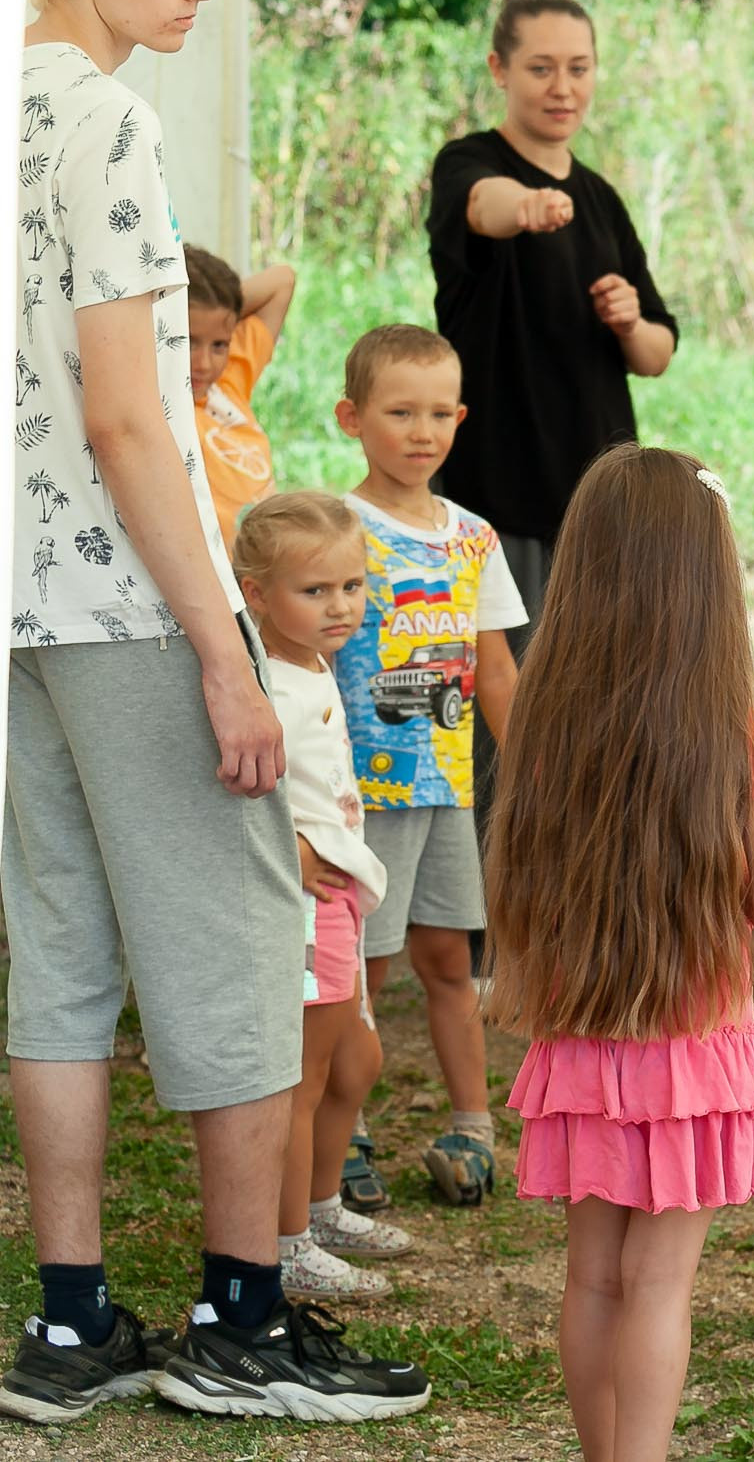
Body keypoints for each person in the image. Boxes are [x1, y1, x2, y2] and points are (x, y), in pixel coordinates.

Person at [6, 0, 424, 1426]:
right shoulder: (102, 119)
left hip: (19, 614)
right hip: (122, 594)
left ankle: (68, 1327)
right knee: (247, 951)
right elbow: (129, 417)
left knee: (57, 963)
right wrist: (222, 642)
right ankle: (242, 1320)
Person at [486, 444, 754, 1462]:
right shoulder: (740, 735)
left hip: (581, 1041)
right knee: (661, 1283)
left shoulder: (545, 723)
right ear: (711, 580)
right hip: (697, 1053)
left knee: (591, 1276)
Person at [333, 325, 526, 1204]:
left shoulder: (473, 538)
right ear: (352, 417)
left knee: (451, 957)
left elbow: (492, 669)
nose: (422, 430)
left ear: (462, 418)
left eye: (440, 412)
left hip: (448, 789)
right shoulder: (336, 530)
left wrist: (530, 767)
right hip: (354, 801)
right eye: (400, 410)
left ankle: (472, 1124)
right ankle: (345, 1132)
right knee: (359, 973)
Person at [426, 0, 677, 633]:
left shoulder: (601, 199)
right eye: (541, 69)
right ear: (499, 70)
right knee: (503, 696)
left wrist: (630, 321)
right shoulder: (468, 163)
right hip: (494, 486)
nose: (563, 87)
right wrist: (528, 206)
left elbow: (657, 355)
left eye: (578, 68)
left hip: (599, 493)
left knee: (593, 689)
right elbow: (485, 205)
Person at [233, 494, 419, 1302]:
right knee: (303, 1079)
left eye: (352, 585)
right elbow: (230, 782)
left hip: (345, 892)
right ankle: (288, 1242)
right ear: (256, 593)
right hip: (306, 906)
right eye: (315, 591)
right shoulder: (258, 681)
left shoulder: (315, 662)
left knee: (360, 1059)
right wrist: (289, 847)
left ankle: (322, 1202)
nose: (340, 605)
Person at [184, 246, 295, 551]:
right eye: (187, 341)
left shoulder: (230, 380)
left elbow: (282, 280)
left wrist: (223, 305)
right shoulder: (161, 405)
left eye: (219, 344)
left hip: (270, 568)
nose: (204, 364)